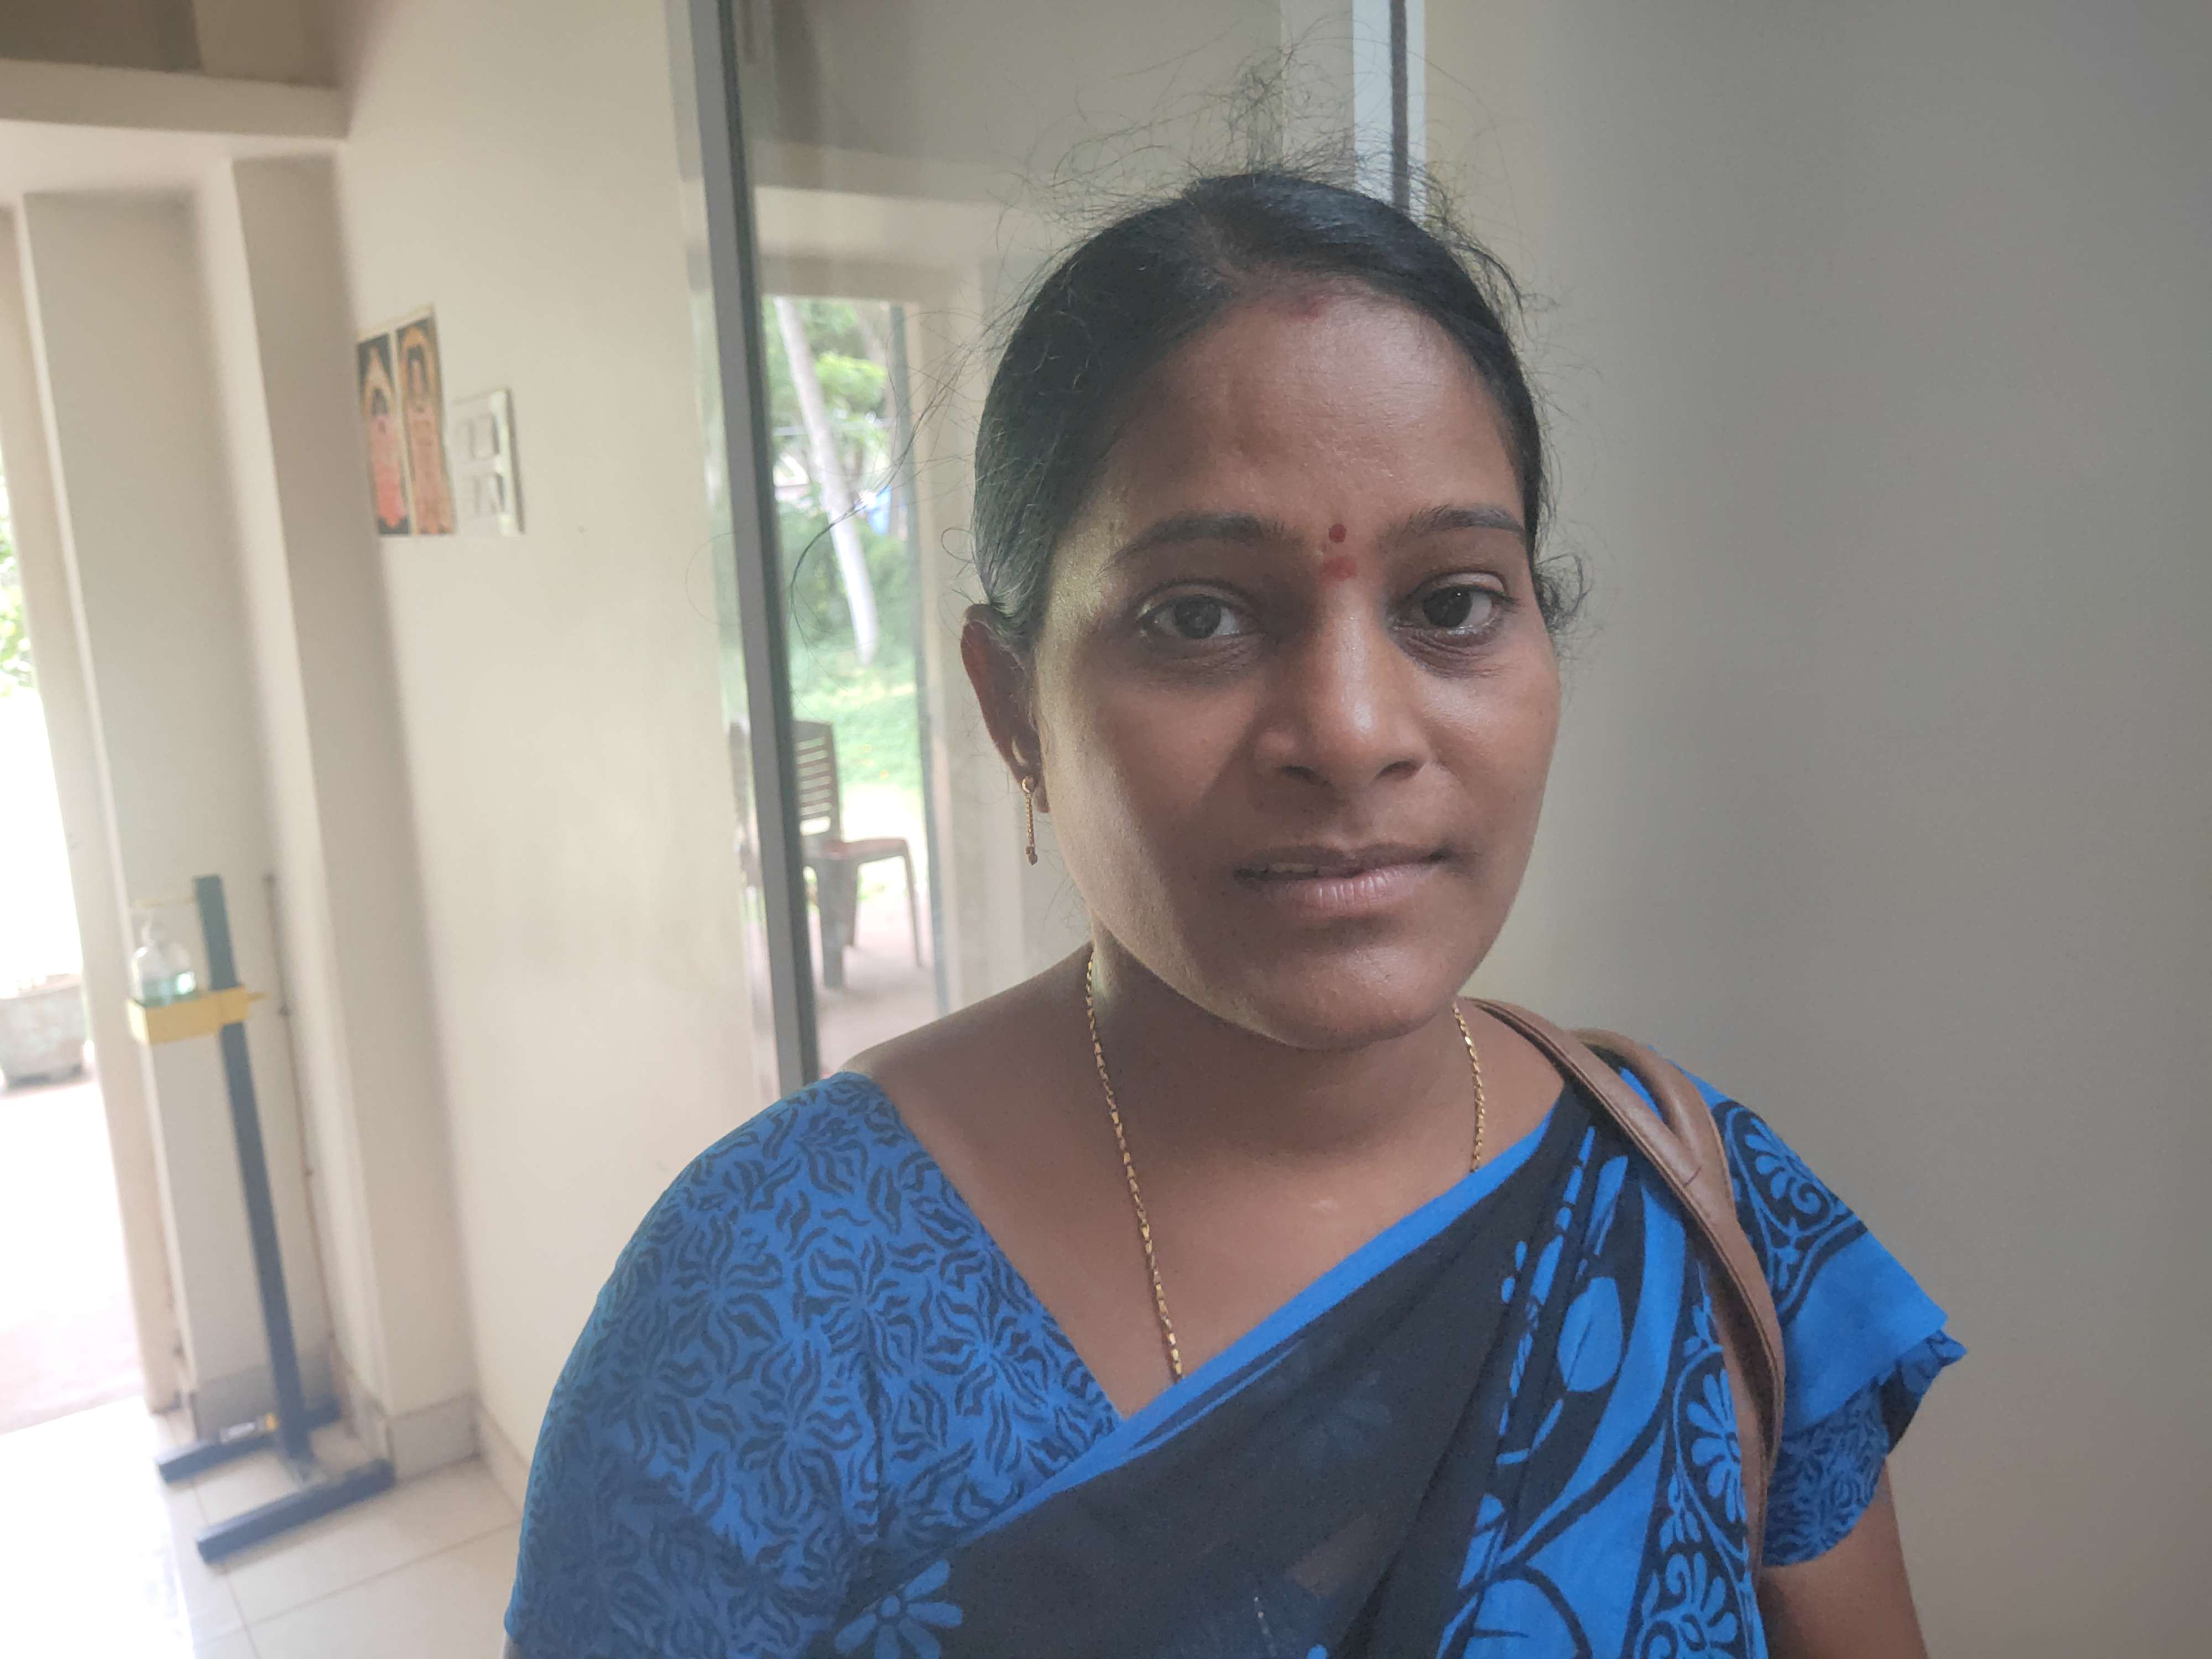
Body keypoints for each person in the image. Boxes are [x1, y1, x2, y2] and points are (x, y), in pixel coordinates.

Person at [503, 170, 1960, 1658]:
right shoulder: (761, 1317)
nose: (1352, 732)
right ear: (1013, 708)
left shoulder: (1699, 1208)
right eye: (1198, 616)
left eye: (1452, 604)